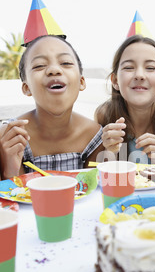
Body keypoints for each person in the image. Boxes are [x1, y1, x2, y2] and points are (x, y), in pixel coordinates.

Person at [0, 35, 103, 179]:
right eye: (39, 65)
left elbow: (93, 191)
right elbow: (12, 194)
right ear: (26, 87)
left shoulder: (95, 136)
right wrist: (10, 167)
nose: (54, 70)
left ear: (81, 82)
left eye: (66, 63)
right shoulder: (10, 136)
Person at [94, 35, 155, 164]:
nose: (139, 75)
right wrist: (109, 151)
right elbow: (102, 176)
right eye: (129, 67)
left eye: (150, 68)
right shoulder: (104, 114)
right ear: (115, 80)